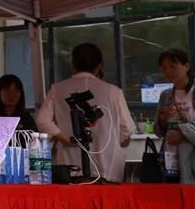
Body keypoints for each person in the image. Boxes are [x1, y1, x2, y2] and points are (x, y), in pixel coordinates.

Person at [36, 43, 134, 182]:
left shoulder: (57, 89)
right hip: (108, 168)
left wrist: (67, 139)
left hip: (70, 167)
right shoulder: (113, 91)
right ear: (99, 66)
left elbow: (42, 120)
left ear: (73, 64)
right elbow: (127, 128)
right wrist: (110, 140)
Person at [156, 49, 195, 183]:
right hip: (170, 160)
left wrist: (183, 134)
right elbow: (158, 131)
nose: (168, 71)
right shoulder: (165, 95)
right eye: (164, 67)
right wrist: (163, 118)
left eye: (173, 66)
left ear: (186, 66)